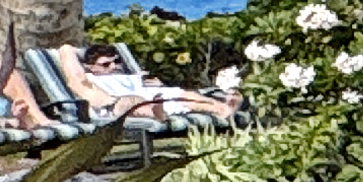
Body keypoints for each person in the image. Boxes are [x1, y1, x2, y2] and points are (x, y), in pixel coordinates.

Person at [61, 41, 237, 132]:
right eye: (106, 64)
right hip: (116, 106)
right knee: (134, 100)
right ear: (90, 67)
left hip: (148, 97)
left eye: (116, 61)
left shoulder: (126, 75)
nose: (113, 66)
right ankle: (156, 112)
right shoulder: (89, 79)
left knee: (180, 93)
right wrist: (71, 49)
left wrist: (156, 85)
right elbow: (67, 55)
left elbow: (147, 84)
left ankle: (221, 107)